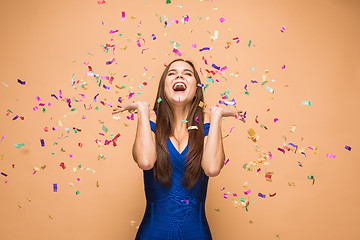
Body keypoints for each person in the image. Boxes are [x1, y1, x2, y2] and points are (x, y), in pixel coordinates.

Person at [112, 59, 245, 240]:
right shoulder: (150, 119)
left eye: (187, 73)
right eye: (172, 73)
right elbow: (145, 161)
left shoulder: (208, 121)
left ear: (197, 88)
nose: (180, 75)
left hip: (197, 235)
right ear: (163, 86)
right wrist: (142, 110)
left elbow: (212, 168)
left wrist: (216, 116)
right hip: (152, 235)